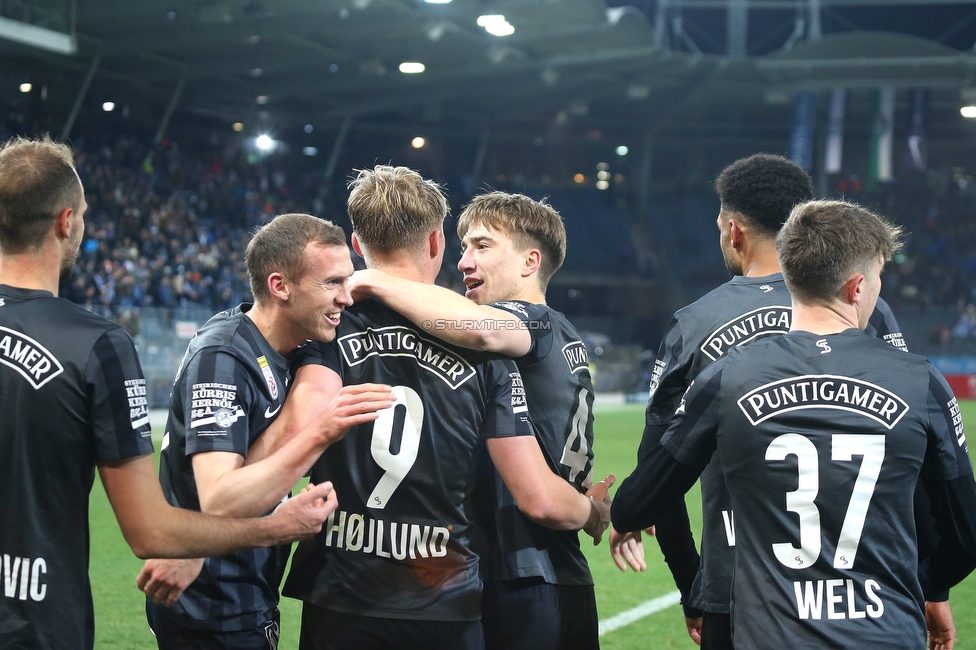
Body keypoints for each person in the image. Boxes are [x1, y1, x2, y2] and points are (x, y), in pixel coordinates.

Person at [0, 137, 336, 650]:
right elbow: (150, 532)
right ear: (66, 222)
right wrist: (277, 527)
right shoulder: (97, 346)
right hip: (36, 621)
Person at [610, 153, 942, 650]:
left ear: (733, 230)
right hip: (870, 589)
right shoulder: (865, 306)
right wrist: (930, 585)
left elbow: (658, 468)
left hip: (738, 588)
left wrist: (691, 587)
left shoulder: (695, 324)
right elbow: (913, 453)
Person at [277, 167, 611, 650]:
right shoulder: (551, 338)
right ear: (435, 241)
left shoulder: (505, 331)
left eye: (482, 246)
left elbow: (479, 329)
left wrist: (364, 278)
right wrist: (592, 511)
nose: (464, 261)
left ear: (530, 261)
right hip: (515, 573)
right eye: (462, 247)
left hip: (506, 573)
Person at [141, 213, 395, 649]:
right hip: (212, 603)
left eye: (348, 282)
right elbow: (219, 498)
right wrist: (322, 432)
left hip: (248, 586)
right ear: (281, 287)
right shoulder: (222, 358)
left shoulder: (288, 347)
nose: (346, 299)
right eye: (331, 283)